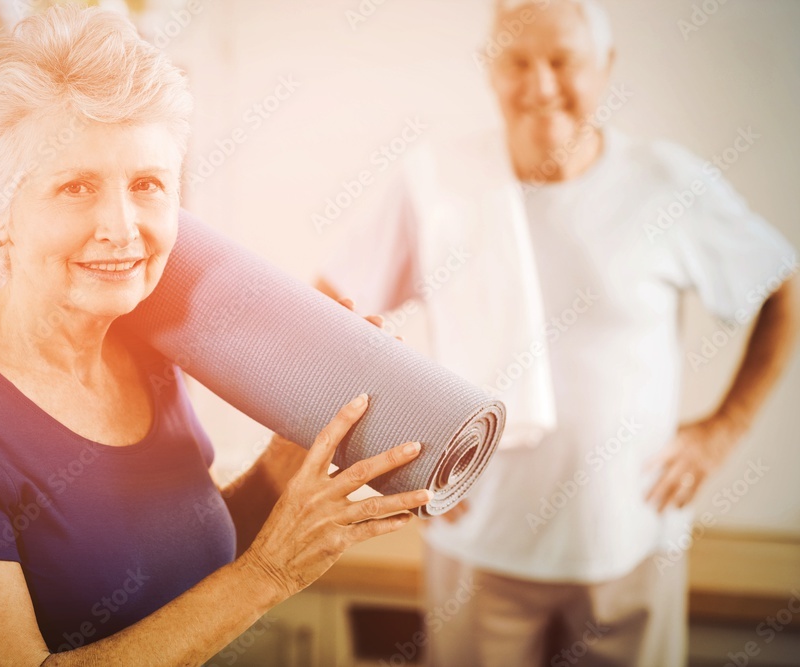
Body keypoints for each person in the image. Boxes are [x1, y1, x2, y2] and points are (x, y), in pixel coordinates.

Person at [0, 6, 433, 665]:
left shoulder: (147, 346)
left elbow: (185, 556)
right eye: (76, 186)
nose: (122, 226)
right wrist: (270, 575)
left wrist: (292, 452)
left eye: (147, 184)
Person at [316, 0, 799, 665]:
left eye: (563, 61)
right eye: (517, 61)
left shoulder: (667, 185)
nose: (541, 86)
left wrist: (722, 432)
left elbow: (779, 283)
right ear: (490, 69)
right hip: (478, 544)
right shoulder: (434, 181)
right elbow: (329, 313)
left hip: (630, 544)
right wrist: (394, 466)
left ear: (606, 68)